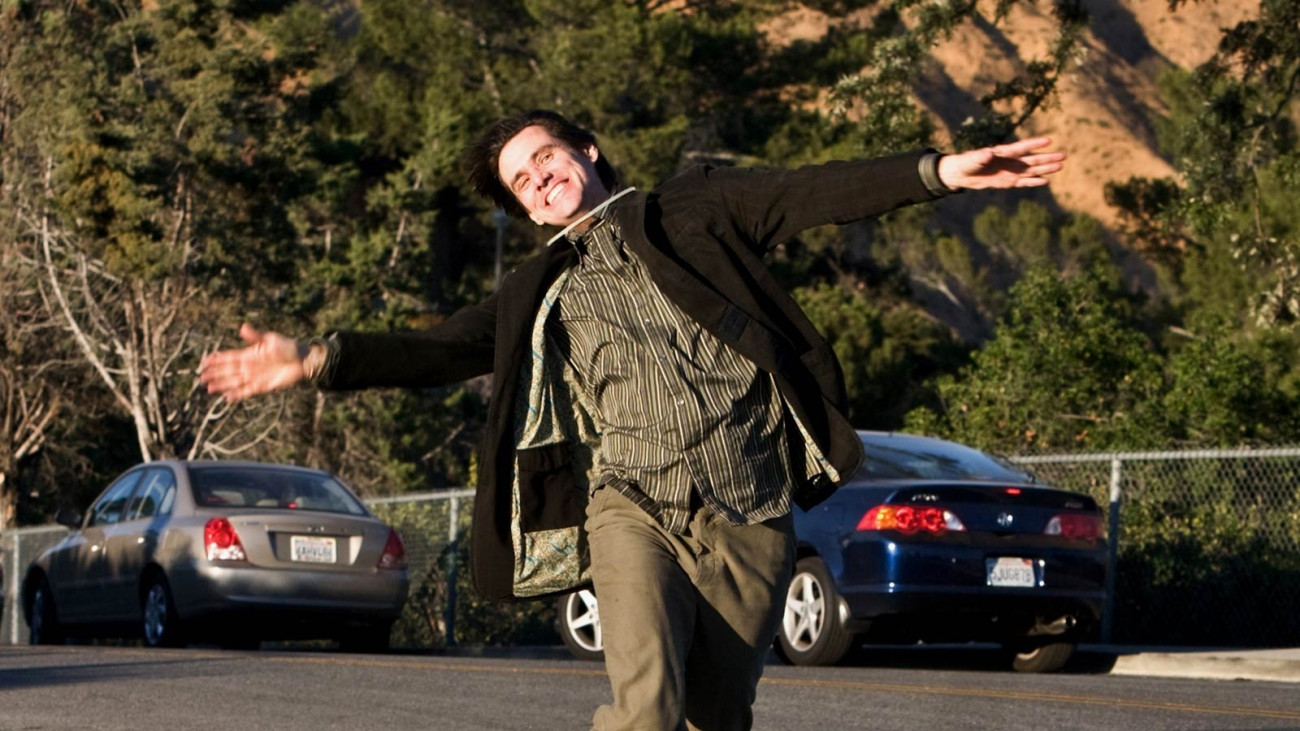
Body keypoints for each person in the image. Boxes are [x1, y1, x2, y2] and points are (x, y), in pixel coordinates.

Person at [200, 110, 1064, 730]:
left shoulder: (691, 212)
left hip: (749, 507)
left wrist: (938, 173)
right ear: (528, 210)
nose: (540, 179)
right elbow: (441, 347)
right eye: (523, 182)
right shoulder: (538, 290)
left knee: (718, 712)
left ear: (586, 151)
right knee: (646, 706)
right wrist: (316, 358)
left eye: (545, 157)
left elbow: (806, 191)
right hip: (632, 504)